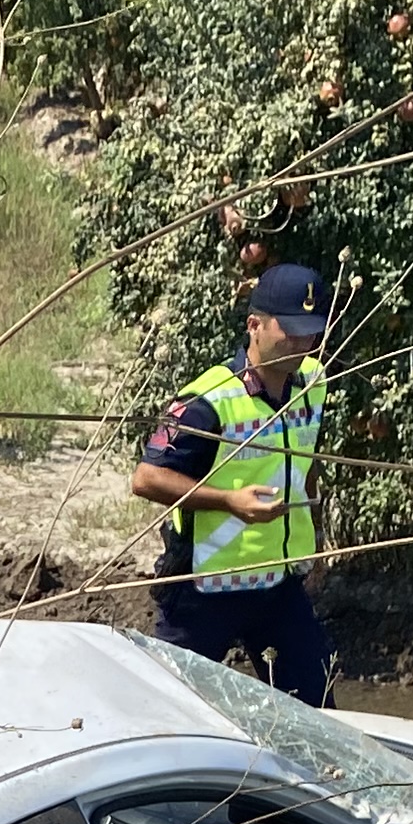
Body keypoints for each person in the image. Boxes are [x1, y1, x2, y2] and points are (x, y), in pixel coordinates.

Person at [131, 260, 335, 704]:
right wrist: (228, 501)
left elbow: (307, 461)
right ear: (254, 326)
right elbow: (146, 478)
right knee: (170, 711)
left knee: (319, 718)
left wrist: (315, 532)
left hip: (279, 585)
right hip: (206, 587)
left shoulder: (313, 384)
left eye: (312, 330)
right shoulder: (206, 400)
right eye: (292, 329)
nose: (303, 342)